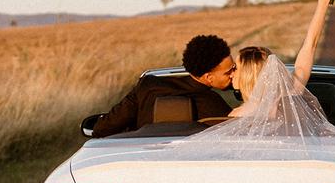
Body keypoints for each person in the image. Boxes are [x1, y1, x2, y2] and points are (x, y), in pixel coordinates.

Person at [229, 0, 335, 118]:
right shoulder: (284, 104)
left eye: (236, 68)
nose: (232, 73)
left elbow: (309, 47)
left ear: (248, 74)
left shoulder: (235, 116)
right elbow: (309, 46)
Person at [92, 34, 235, 137]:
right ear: (208, 77)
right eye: (229, 71)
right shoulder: (212, 103)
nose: (234, 74)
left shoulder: (148, 86)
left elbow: (102, 128)